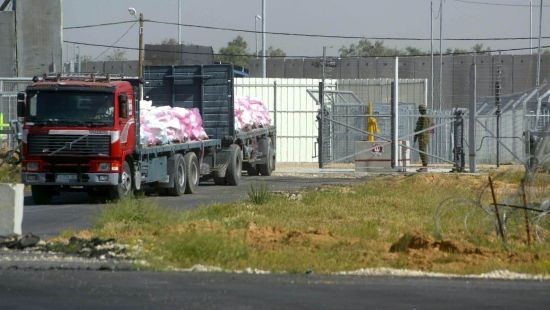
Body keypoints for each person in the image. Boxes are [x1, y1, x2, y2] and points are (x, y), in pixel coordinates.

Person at [414, 104, 433, 172]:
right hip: (424, 136)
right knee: (422, 151)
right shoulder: (427, 117)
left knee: (422, 151)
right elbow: (432, 127)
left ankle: (425, 166)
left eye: (420, 110)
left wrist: (418, 134)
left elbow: (423, 128)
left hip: (423, 136)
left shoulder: (424, 117)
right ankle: (424, 166)